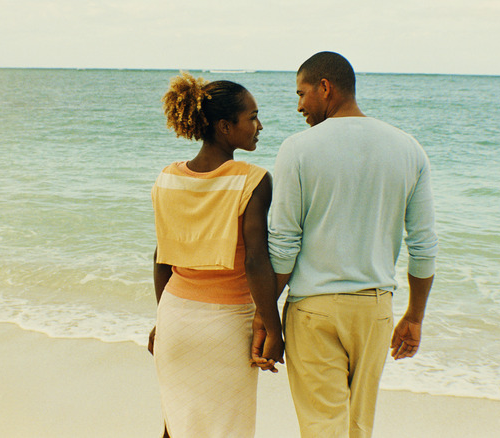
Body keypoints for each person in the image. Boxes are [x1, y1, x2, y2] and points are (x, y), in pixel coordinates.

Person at [265, 52, 438, 438]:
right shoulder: (409, 148)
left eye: (302, 93)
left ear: (325, 87)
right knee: (357, 428)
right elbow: (424, 245)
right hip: (374, 310)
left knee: (323, 428)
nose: (299, 106)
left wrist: (265, 314)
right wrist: (414, 316)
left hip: (313, 309)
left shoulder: (298, 148)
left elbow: (284, 243)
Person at [148, 72, 284, 438]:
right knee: (225, 430)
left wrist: (162, 320)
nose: (259, 126)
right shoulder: (252, 180)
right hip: (226, 327)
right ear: (225, 126)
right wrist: (273, 329)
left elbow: (162, 259)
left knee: (176, 426)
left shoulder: (167, 177)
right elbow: (255, 261)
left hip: (175, 320)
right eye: (252, 117)